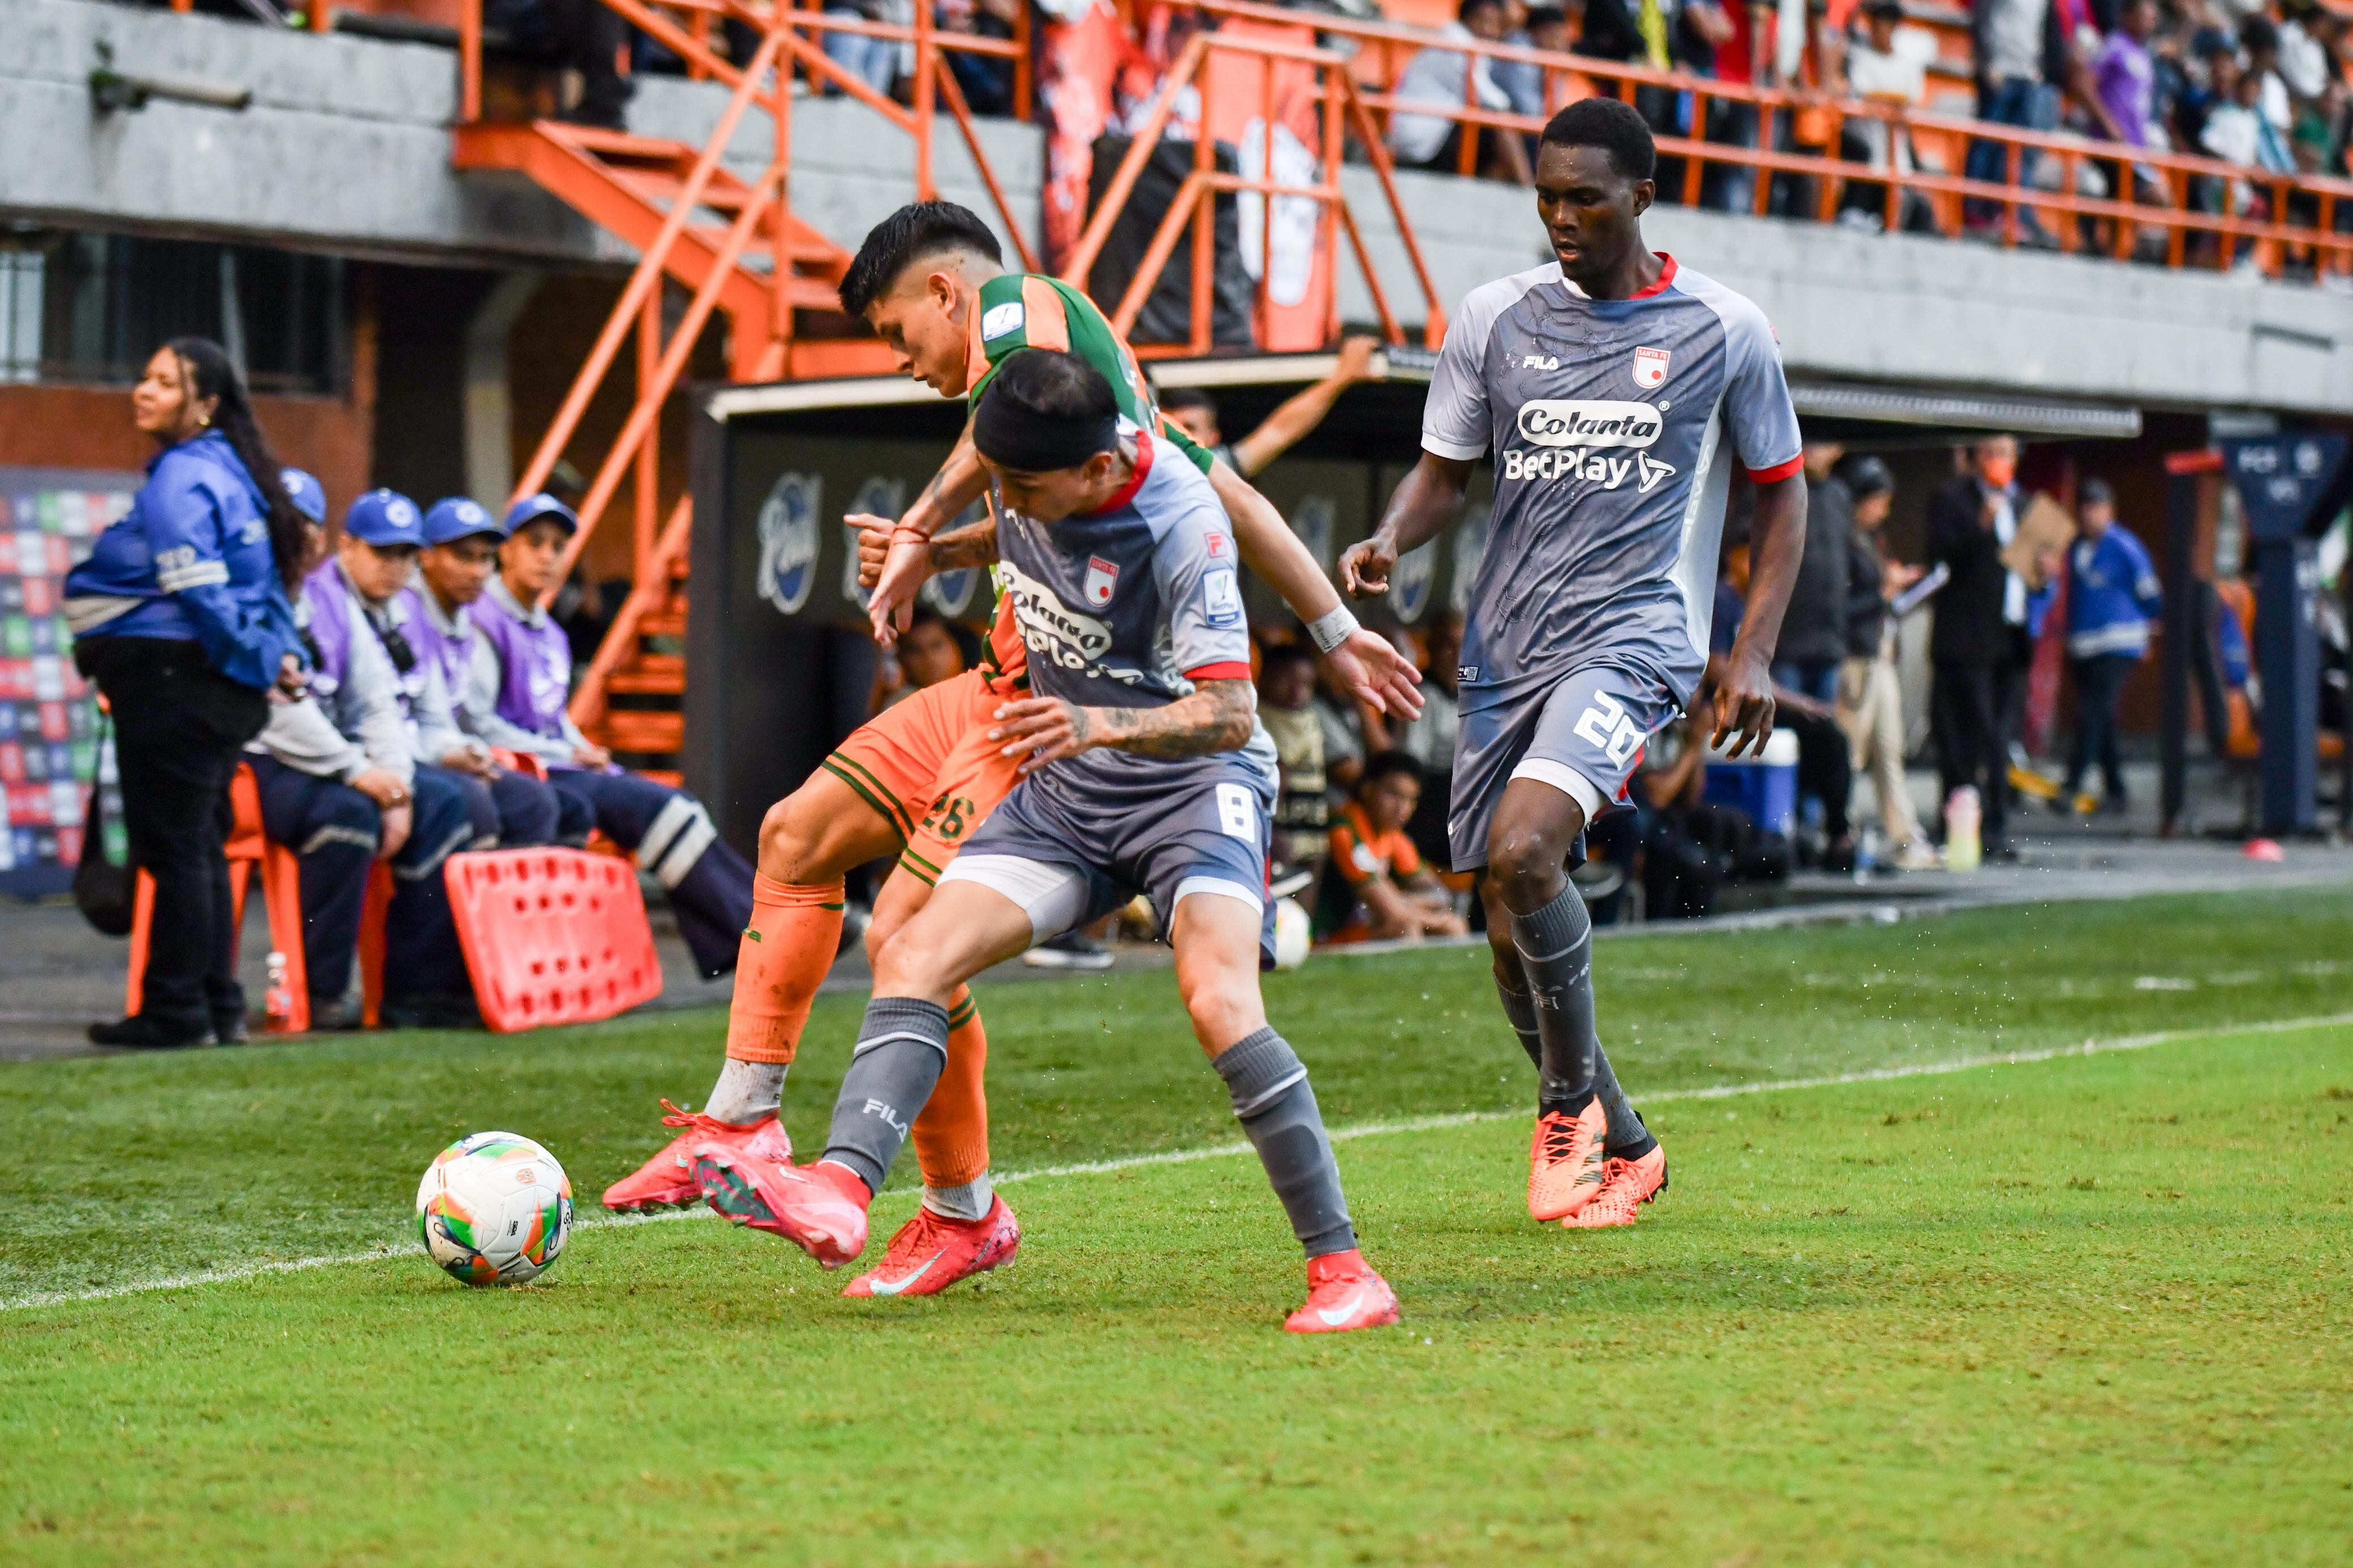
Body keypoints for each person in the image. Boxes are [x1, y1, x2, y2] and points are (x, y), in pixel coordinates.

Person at [602, 200, 1421, 1301]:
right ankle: (757, 1129)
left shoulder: (1029, 323)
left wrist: (1324, 634)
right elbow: (1046, 481)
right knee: (800, 840)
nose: (901, 363)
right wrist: (927, 547)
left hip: (1114, 744)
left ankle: (974, 1212)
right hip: (1027, 719)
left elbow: (1228, 667)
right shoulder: (1045, 427)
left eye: (897, 334)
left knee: (964, 942)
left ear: (951, 296)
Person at [1341, 97, 1808, 1230]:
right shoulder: (1494, 318)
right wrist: (1393, 535)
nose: (1560, 217)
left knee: (1525, 849)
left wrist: (1751, 650)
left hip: (1635, 638)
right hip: (1506, 648)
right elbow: (1443, 471)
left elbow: (1782, 493)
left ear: (1641, 198)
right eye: (1547, 197)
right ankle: (1631, 1145)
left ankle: (1564, 1112)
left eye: (1585, 199)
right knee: (1506, 917)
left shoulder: (1723, 328)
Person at [64, 337, 307, 1048]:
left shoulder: (183, 474)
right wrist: (271, 656)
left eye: (166, 382)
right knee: (197, 845)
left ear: (204, 404)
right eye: (145, 377)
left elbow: (201, 590)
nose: (144, 391)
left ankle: (175, 1011)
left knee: (174, 850)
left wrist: (250, 658)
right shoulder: (235, 473)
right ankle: (215, 1006)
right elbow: (264, 591)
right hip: (202, 683)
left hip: (174, 682)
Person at [468, 493, 756, 978]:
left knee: (679, 807)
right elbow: (480, 723)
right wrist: (566, 751)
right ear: (507, 550)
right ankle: (757, 931)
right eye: (534, 543)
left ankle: (743, 937)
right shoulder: (483, 619)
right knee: (666, 808)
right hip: (521, 770)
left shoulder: (550, 632)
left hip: (559, 763)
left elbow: (552, 716)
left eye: (557, 547)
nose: (547, 556)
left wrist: (579, 745)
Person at [251, 487, 484, 1028]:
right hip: (255, 762)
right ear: (347, 545)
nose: (395, 566)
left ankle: (418, 990)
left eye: (305, 524)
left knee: (448, 803)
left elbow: (376, 702)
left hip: (330, 760)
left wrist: (396, 785)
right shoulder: (250, 599)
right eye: (384, 552)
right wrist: (359, 772)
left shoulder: (335, 602)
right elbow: (279, 714)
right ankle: (323, 993)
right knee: (348, 816)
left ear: (321, 536)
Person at [406, 497, 572, 849]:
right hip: (396, 755)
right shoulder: (409, 616)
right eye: (463, 556)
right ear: (426, 556)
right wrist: (449, 752)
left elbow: (440, 718)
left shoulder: (465, 619)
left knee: (542, 804)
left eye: (484, 559)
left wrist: (465, 751)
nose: (477, 571)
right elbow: (390, 716)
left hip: (444, 750)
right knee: (477, 803)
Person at [1835, 456, 1932, 866]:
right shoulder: (1842, 540)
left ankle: (1904, 837)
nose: (1884, 511)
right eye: (1879, 501)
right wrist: (1884, 594)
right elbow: (1841, 606)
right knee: (1850, 753)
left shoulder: (1872, 541)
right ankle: (1841, 832)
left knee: (1890, 750)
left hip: (1881, 653)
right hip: (1855, 656)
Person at [2057, 477, 2161, 815]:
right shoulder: (2075, 548)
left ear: (2110, 511)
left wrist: (2152, 626)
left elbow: (2149, 591)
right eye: (2086, 508)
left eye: (2097, 508)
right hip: (2084, 644)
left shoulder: (2124, 546)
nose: (2091, 515)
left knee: (2092, 711)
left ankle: (2072, 784)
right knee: (2102, 717)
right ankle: (2117, 790)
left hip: (2118, 641)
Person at [1156, 335, 1385, 480]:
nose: (1178, 439)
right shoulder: (1143, 469)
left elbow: (1279, 432)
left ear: (1213, 439)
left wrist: (1343, 377)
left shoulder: (1216, 470)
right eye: (1169, 428)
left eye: (1189, 428)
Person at [1315, 750, 1468, 941]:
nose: (1402, 808)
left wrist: (1403, 900)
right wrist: (1419, 910)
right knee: (1406, 928)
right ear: (1368, 789)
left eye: (1411, 799)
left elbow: (1440, 895)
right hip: (1330, 937)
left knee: (1453, 926)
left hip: (1372, 926)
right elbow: (1391, 912)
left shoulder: (1393, 836)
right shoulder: (1345, 829)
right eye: (1394, 794)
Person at [1389, 0, 1534, 183]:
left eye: (1495, 24)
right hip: (1419, 143)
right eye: (1485, 21)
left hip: (1433, 133)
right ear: (1469, 18)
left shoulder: (1463, 42)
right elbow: (1492, 100)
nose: (1491, 30)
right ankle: (1527, 187)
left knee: (1506, 129)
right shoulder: (1456, 42)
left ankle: (1513, 188)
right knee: (1501, 124)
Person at [1256, 642, 1330, 881]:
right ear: (1264, 679)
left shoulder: (1308, 718)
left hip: (1311, 828)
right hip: (1280, 831)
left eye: (1306, 684)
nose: (1297, 693)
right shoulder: (1259, 718)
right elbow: (1275, 779)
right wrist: (1271, 828)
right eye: (1287, 681)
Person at [871, 608, 968, 711]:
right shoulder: (901, 706)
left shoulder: (974, 690)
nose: (929, 658)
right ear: (901, 657)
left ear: (956, 647)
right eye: (915, 650)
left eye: (937, 645)